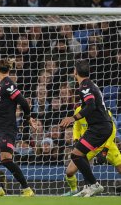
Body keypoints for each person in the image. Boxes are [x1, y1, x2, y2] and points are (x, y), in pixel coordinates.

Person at [0, 58, 37, 196]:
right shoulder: (1, 86)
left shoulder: (8, 84)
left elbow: (24, 102)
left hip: (7, 129)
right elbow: (1, 112)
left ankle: (27, 189)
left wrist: (28, 118)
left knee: (5, 159)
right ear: (9, 69)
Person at [60, 59, 113, 197]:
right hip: (99, 126)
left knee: (76, 155)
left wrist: (73, 118)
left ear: (75, 72)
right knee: (78, 155)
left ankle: (93, 184)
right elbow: (88, 105)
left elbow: (90, 106)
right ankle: (90, 185)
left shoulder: (84, 87)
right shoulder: (90, 84)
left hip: (99, 127)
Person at [62, 106, 121, 196]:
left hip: (105, 144)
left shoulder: (103, 110)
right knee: (69, 172)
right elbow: (76, 127)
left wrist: (105, 150)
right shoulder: (78, 111)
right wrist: (76, 140)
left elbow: (112, 130)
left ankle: (91, 187)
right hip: (88, 145)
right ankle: (74, 190)